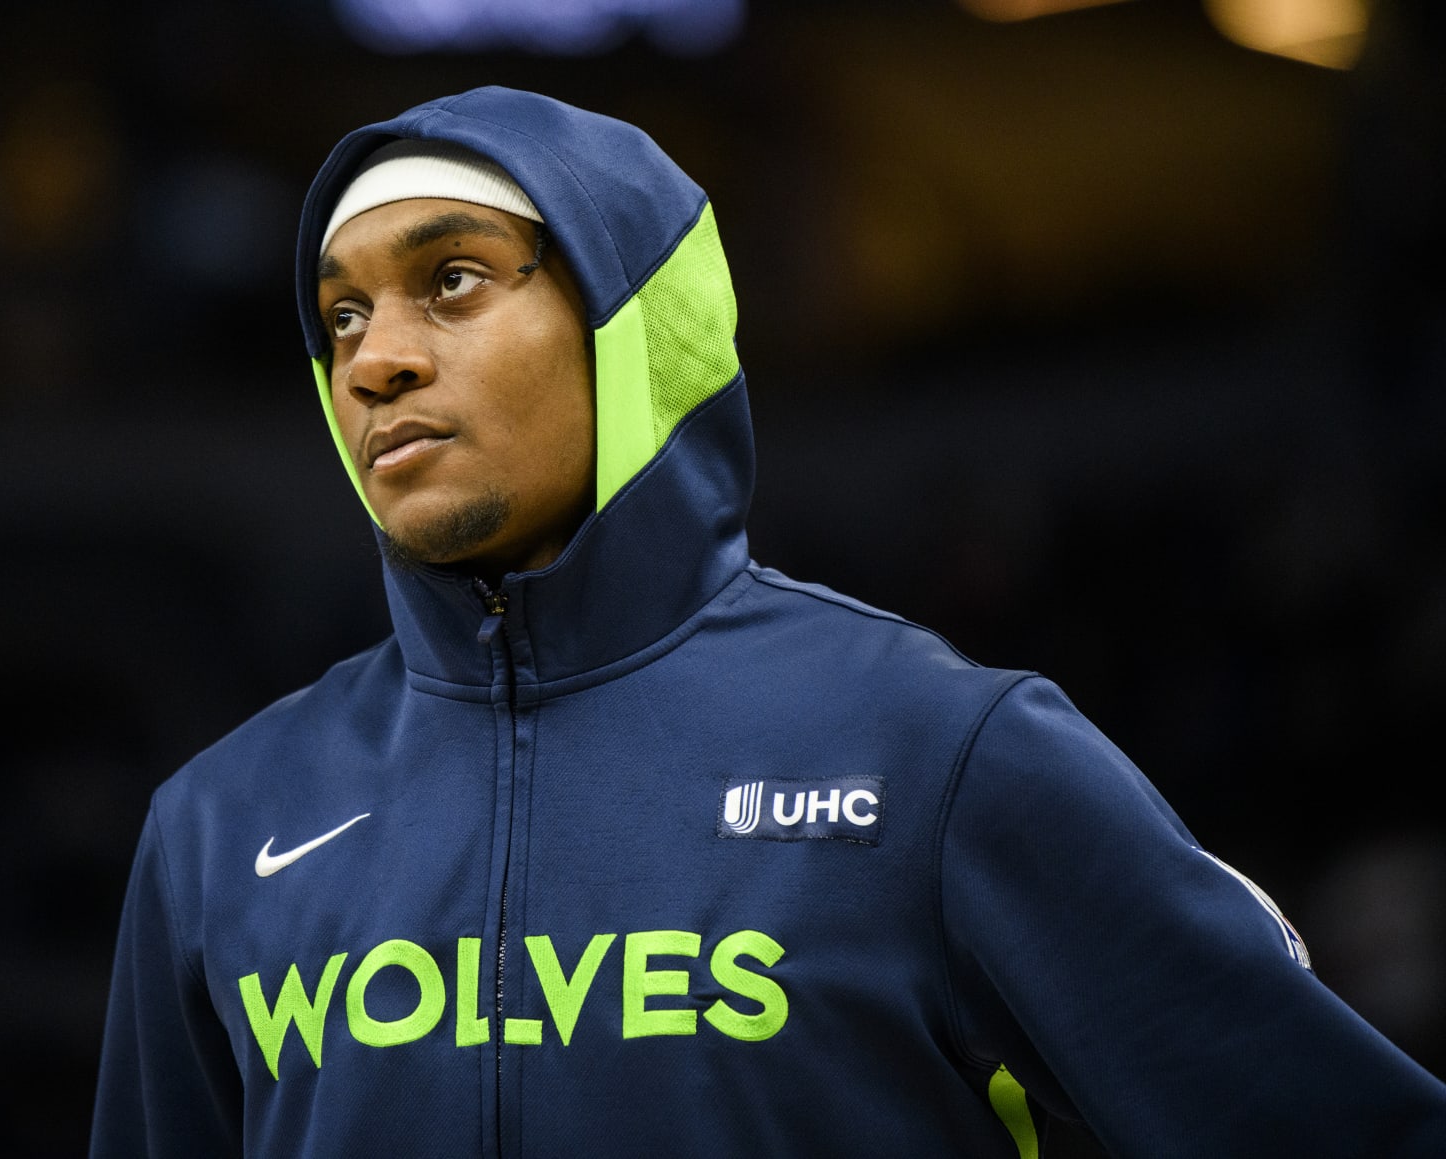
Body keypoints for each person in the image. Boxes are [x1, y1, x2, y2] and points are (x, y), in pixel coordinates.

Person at [89, 86, 1446, 1156]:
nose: (375, 359)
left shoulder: (937, 754)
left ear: (629, 317)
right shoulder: (218, 826)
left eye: (453, 279)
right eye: (340, 313)